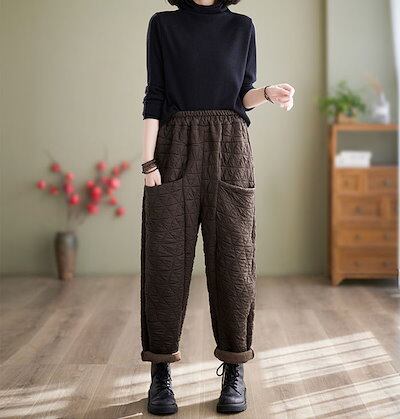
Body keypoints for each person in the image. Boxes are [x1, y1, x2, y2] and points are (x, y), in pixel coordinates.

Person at [140, 0, 295, 415]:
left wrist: (267, 93)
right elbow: (155, 96)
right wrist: (148, 161)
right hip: (174, 148)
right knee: (165, 262)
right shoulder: (163, 25)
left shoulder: (242, 27)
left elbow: (241, 94)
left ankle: (234, 368)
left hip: (231, 148)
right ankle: (160, 373)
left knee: (234, 262)